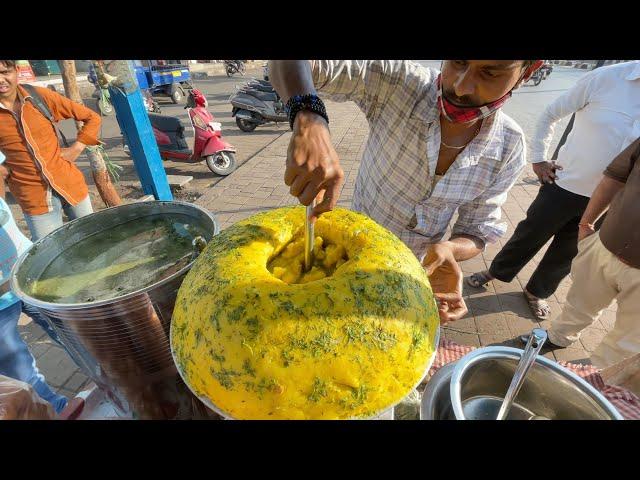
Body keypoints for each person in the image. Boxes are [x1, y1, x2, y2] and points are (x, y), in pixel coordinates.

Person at [268, 59, 542, 323]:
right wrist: (309, 117)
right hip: (346, 260)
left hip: (409, 272)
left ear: (527, 72)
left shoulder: (509, 147)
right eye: (458, 62)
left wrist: (449, 249)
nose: (461, 86)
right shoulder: (398, 83)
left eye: (490, 73)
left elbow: (477, 230)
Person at [468, 61, 640, 319]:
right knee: (529, 234)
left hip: (610, 201)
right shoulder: (606, 78)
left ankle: (537, 292)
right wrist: (538, 158)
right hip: (564, 184)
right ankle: (497, 271)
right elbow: (550, 114)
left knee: (569, 252)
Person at [530, 137, 640, 367]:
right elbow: (615, 178)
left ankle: (598, 385)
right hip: (606, 244)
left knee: (627, 342)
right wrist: (586, 224)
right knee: (579, 303)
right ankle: (558, 338)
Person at [0, 59, 101, 241]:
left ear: (15, 70)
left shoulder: (38, 96)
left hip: (70, 185)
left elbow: (91, 117)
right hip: (34, 198)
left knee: (93, 242)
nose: (1, 80)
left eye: (5, 72)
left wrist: (76, 148)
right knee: (52, 254)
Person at [0, 150, 67, 412]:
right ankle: (57, 411)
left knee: (72, 334)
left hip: (30, 277)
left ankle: (108, 381)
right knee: (20, 372)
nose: (6, 172)